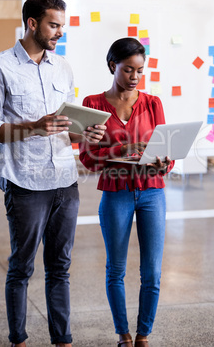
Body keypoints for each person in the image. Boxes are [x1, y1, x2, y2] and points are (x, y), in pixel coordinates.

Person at [0, 0, 106, 347]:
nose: (59, 32)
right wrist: (33, 126)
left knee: (60, 268)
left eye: (62, 25)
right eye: (53, 24)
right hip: (25, 181)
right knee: (21, 267)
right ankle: (18, 339)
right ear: (32, 23)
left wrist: (86, 131)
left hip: (65, 179)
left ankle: (62, 340)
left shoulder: (62, 68)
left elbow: (64, 125)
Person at [79, 38, 175, 347]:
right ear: (112, 66)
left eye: (140, 71)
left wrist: (163, 161)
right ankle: (123, 334)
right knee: (116, 269)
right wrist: (128, 148)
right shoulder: (93, 104)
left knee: (152, 272)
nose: (134, 77)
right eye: (128, 70)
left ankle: (144, 335)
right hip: (116, 193)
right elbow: (89, 159)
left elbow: (167, 156)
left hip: (152, 193)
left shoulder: (152, 103)